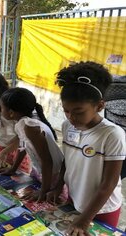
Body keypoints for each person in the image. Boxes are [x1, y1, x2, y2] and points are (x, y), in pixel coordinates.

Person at [47, 61, 125, 233]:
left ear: (99, 106)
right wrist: (58, 186)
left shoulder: (112, 134)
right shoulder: (67, 127)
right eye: (66, 110)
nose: (71, 117)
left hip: (103, 209)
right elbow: (68, 160)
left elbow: (109, 182)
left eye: (79, 111)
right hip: (75, 199)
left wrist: (85, 219)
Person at [0, 87, 63, 201]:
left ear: (11, 112)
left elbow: (47, 161)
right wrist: (13, 168)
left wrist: (43, 191)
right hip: (39, 172)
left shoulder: (30, 127)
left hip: (52, 176)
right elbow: (23, 148)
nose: (0, 110)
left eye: (1, 108)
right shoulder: (22, 123)